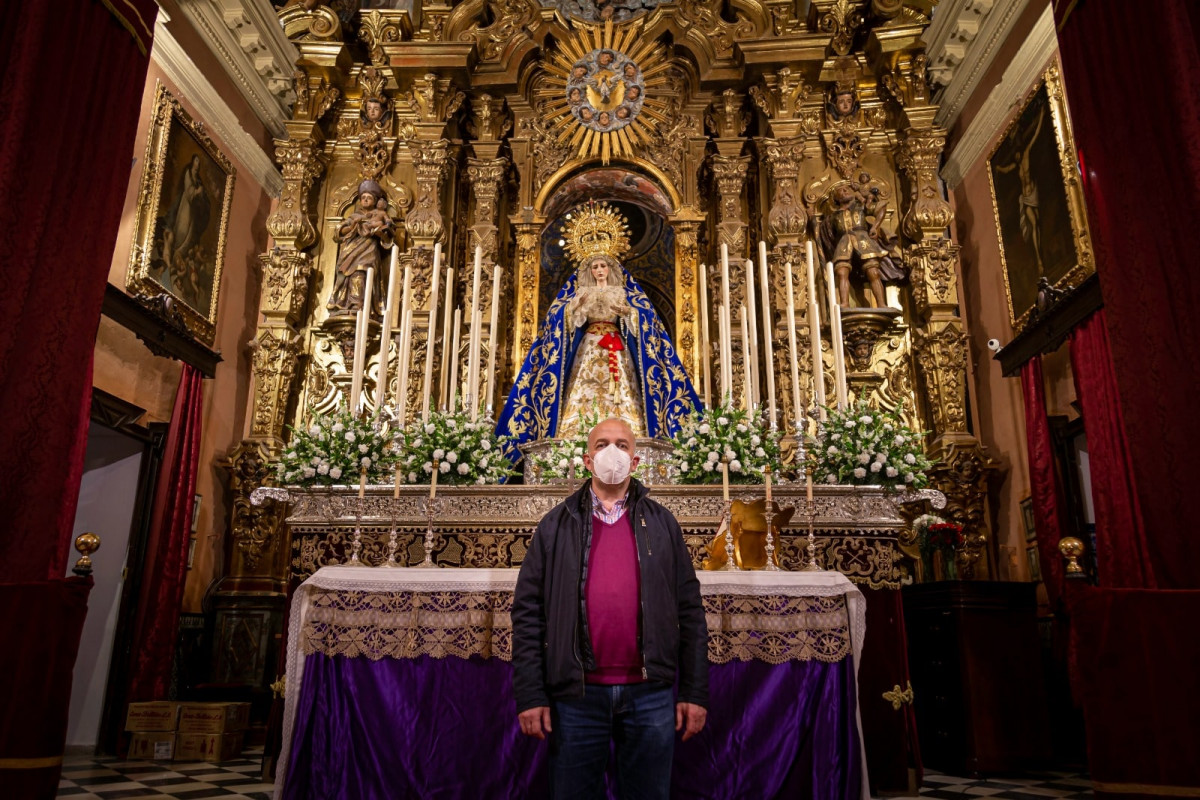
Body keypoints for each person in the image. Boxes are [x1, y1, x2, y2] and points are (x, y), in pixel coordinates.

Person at [513, 417, 709, 799]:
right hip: (577, 695)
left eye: (621, 444)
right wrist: (531, 695)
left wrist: (694, 691)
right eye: (602, 444)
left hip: (649, 693)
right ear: (588, 460)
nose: (612, 453)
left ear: (636, 461)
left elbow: (690, 611)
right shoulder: (555, 525)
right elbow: (528, 614)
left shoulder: (663, 524)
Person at [327, 179, 394, 315]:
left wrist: (380, 230)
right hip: (351, 251)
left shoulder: (379, 215)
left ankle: (358, 305)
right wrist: (352, 226)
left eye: (369, 198)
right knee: (348, 276)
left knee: (360, 274)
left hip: (368, 251)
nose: (365, 200)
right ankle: (345, 304)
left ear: (375, 201)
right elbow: (339, 232)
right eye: (363, 198)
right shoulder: (354, 216)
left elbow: (389, 231)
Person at [994, 104, 1047, 274]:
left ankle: (1040, 258)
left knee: (1037, 224)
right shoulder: (1016, 166)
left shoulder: (1025, 158)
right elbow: (1005, 169)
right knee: (1034, 224)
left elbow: (1034, 137)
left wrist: (1040, 118)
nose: (1016, 155)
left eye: (1017, 153)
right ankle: (1038, 259)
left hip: (1033, 194)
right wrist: (999, 169)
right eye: (1015, 154)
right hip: (1026, 197)